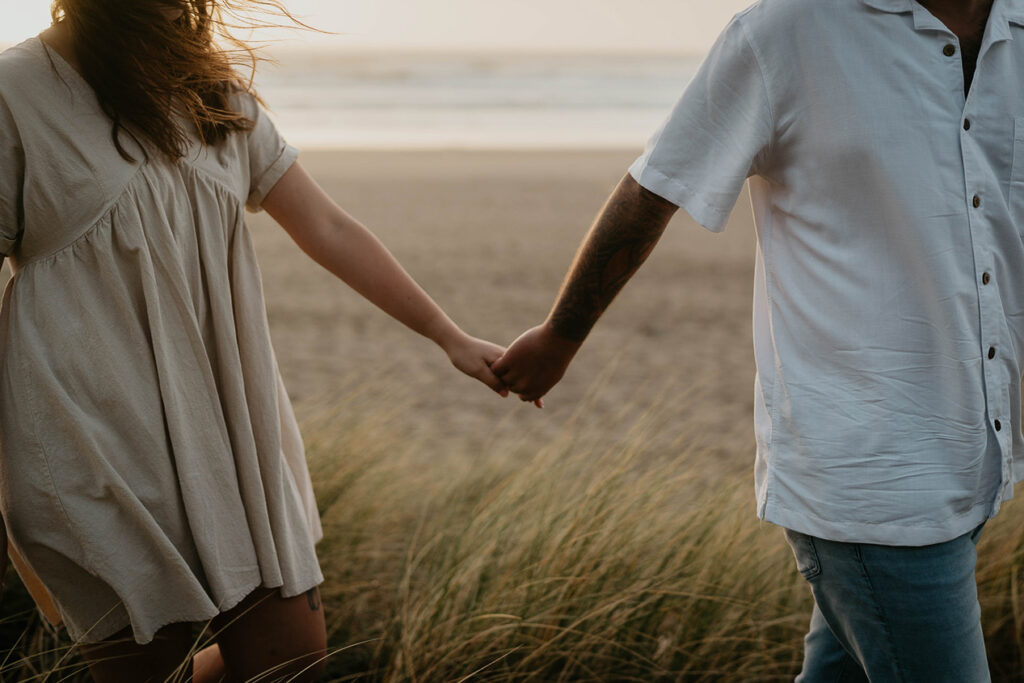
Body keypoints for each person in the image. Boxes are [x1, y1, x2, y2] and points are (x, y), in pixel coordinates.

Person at [493, 0, 1021, 679]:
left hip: (979, 455)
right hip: (866, 480)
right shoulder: (792, 30)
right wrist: (560, 337)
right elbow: (657, 183)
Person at [0, 1, 510, 681]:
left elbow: (325, 225)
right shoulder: (15, 93)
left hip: (231, 434)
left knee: (292, 665)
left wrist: (447, 336)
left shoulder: (208, 89)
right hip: (93, 436)